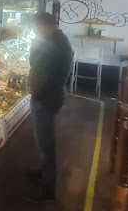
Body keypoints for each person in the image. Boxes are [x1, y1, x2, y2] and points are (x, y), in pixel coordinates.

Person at [26, 12, 73, 202]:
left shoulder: (52, 44)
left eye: (37, 28)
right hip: (53, 96)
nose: (36, 32)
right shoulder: (61, 39)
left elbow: (38, 71)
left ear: (44, 25)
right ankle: (44, 171)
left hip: (45, 98)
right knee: (44, 140)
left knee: (46, 142)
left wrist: (31, 90)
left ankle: (48, 189)